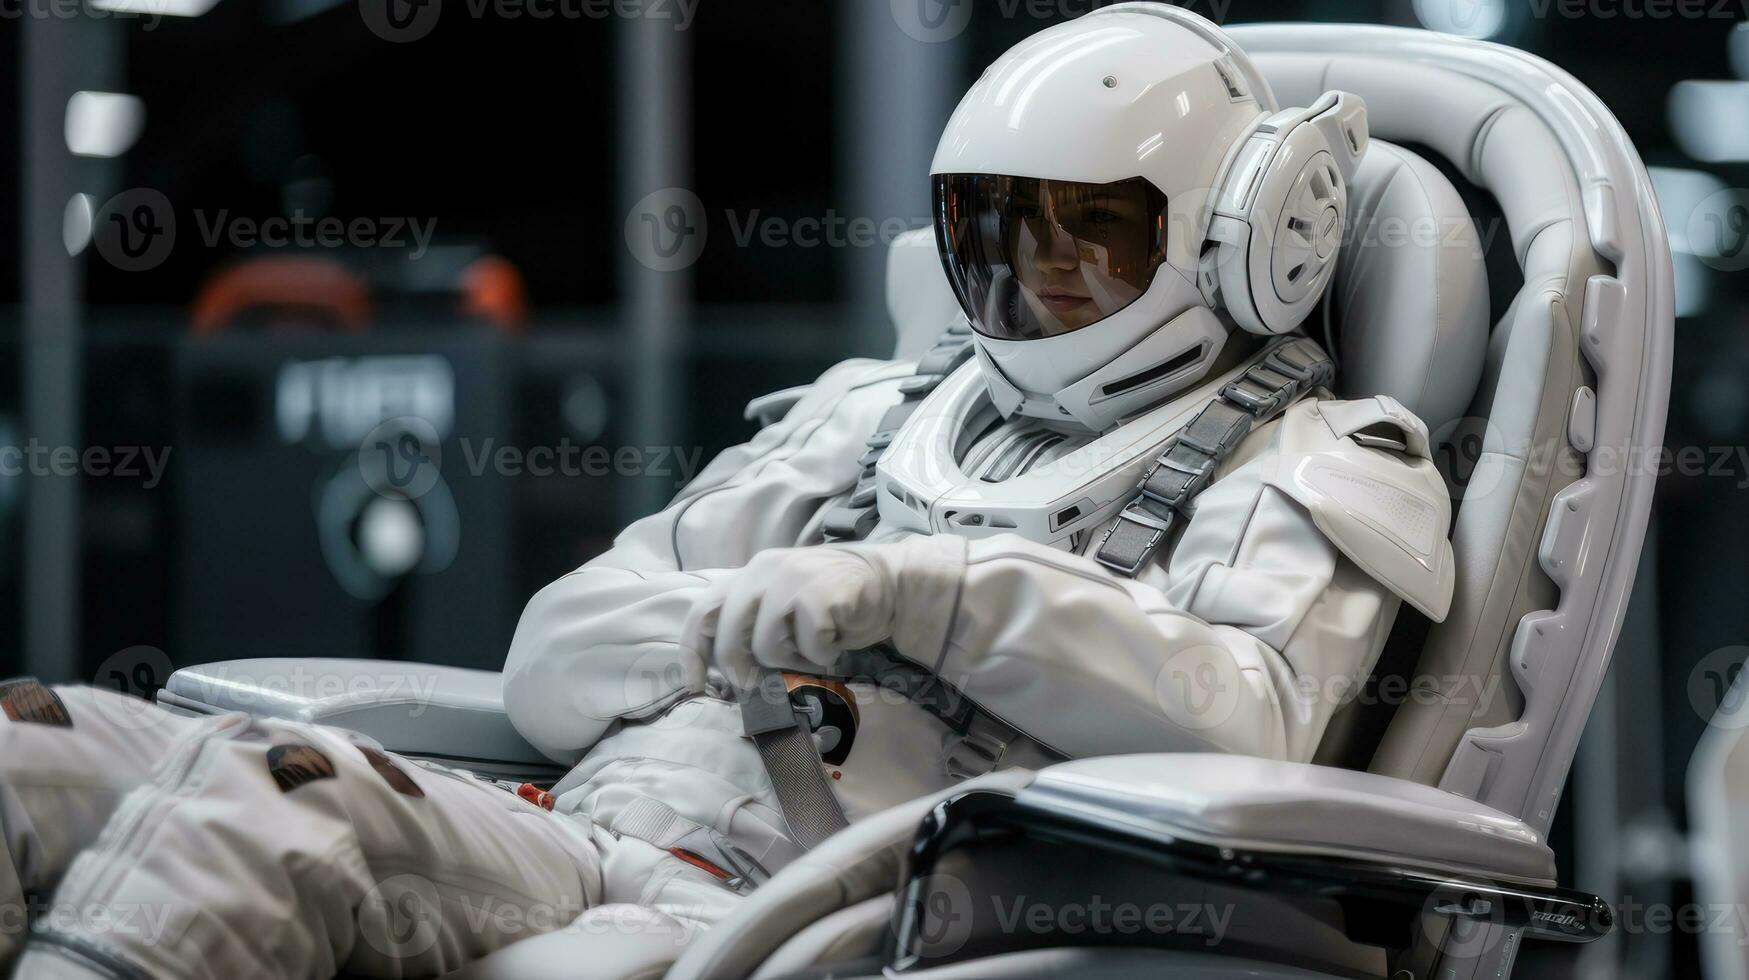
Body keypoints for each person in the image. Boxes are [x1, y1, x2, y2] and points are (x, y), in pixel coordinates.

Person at [3, 5, 1455, 977]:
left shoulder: (1312, 460)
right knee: (31, 745)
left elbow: (1247, 723)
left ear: (1250, 242)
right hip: (582, 824)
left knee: (275, 800)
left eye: (1089, 240)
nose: (1031, 282)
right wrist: (739, 620)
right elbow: (559, 655)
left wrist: (923, 596)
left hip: (802, 902)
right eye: (994, 236)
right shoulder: (878, 416)